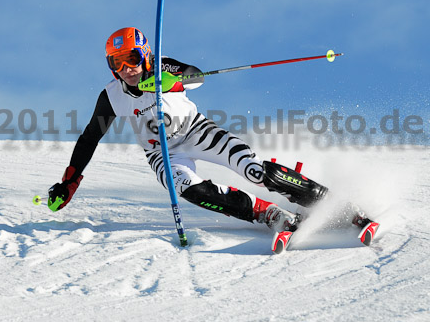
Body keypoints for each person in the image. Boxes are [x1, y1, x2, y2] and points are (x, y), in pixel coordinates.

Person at [48, 27, 332, 233]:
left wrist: (168, 82)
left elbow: (195, 76)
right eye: (116, 62)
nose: (126, 69)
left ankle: (321, 199)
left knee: (254, 170)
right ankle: (267, 213)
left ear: (144, 55)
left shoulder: (161, 66)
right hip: (162, 154)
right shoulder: (111, 96)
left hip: (197, 132)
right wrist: (69, 181)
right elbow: (89, 138)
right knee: (191, 190)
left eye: (131, 59)